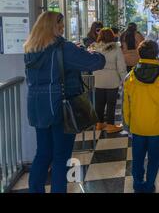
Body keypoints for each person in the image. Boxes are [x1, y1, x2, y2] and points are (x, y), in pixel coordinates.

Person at [24, 12, 106, 193]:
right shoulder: (63, 48)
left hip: (38, 107)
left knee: (43, 153)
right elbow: (96, 62)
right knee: (61, 156)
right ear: (54, 27)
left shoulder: (30, 49)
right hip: (61, 107)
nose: (62, 29)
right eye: (60, 26)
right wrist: (92, 52)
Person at [122, 40, 159, 193]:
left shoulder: (130, 77)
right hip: (158, 128)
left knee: (137, 159)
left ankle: (138, 185)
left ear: (139, 53)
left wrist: (126, 124)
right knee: (154, 159)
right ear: (156, 54)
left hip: (137, 127)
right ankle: (150, 185)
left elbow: (126, 104)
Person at [90, 28, 127, 133]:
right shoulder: (116, 48)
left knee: (99, 103)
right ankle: (110, 125)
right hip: (112, 80)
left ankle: (99, 123)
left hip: (98, 79)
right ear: (112, 36)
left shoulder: (95, 48)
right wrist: (125, 80)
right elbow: (121, 66)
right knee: (111, 103)